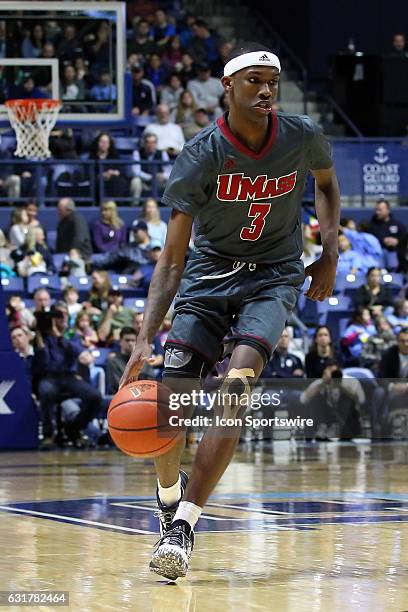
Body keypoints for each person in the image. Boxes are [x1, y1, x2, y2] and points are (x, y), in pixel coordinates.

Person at [120, 42, 340, 579]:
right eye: (254, 82)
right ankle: (168, 494)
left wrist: (330, 251)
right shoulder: (200, 155)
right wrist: (147, 335)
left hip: (273, 278)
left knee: (237, 385)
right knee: (171, 405)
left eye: (273, 81)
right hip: (207, 279)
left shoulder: (302, 134)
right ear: (228, 87)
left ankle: (183, 527)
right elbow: (172, 259)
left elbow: (328, 185)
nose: (266, 90)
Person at [32, 305, 104, 449]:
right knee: (46, 392)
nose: (60, 318)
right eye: (57, 316)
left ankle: (74, 428)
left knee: (95, 397)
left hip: (69, 376)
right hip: (49, 377)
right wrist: (39, 334)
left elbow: (79, 353)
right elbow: (43, 360)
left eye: (63, 315)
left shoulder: (72, 335)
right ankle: (48, 435)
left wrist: (58, 336)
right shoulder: (42, 337)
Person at [106, 326, 156, 394]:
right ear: (120, 341)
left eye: (133, 340)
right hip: (121, 397)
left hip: (143, 395)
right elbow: (118, 385)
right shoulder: (113, 361)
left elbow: (151, 381)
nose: (130, 343)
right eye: (127, 340)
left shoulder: (143, 361)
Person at [365, 199, 406, 271]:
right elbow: (369, 239)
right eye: (376, 210)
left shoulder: (397, 224)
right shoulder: (372, 225)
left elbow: (405, 238)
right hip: (378, 254)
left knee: (393, 260)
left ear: (388, 210)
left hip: (395, 253)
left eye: (380, 210)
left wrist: (397, 241)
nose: (377, 212)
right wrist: (383, 240)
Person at [130, 134, 171, 204]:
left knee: (171, 182)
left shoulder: (162, 153)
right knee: (135, 181)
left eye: (153, 142)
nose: (150, 145)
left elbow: (169, 171)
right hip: (144, 182)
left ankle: (169, 208)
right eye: (148, 142)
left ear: (156, 143)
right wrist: (152, 177)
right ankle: (134, 205)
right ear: (144, 143)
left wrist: (163, 175)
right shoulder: (137, 153)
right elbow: (136, 172)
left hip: (159, 182)